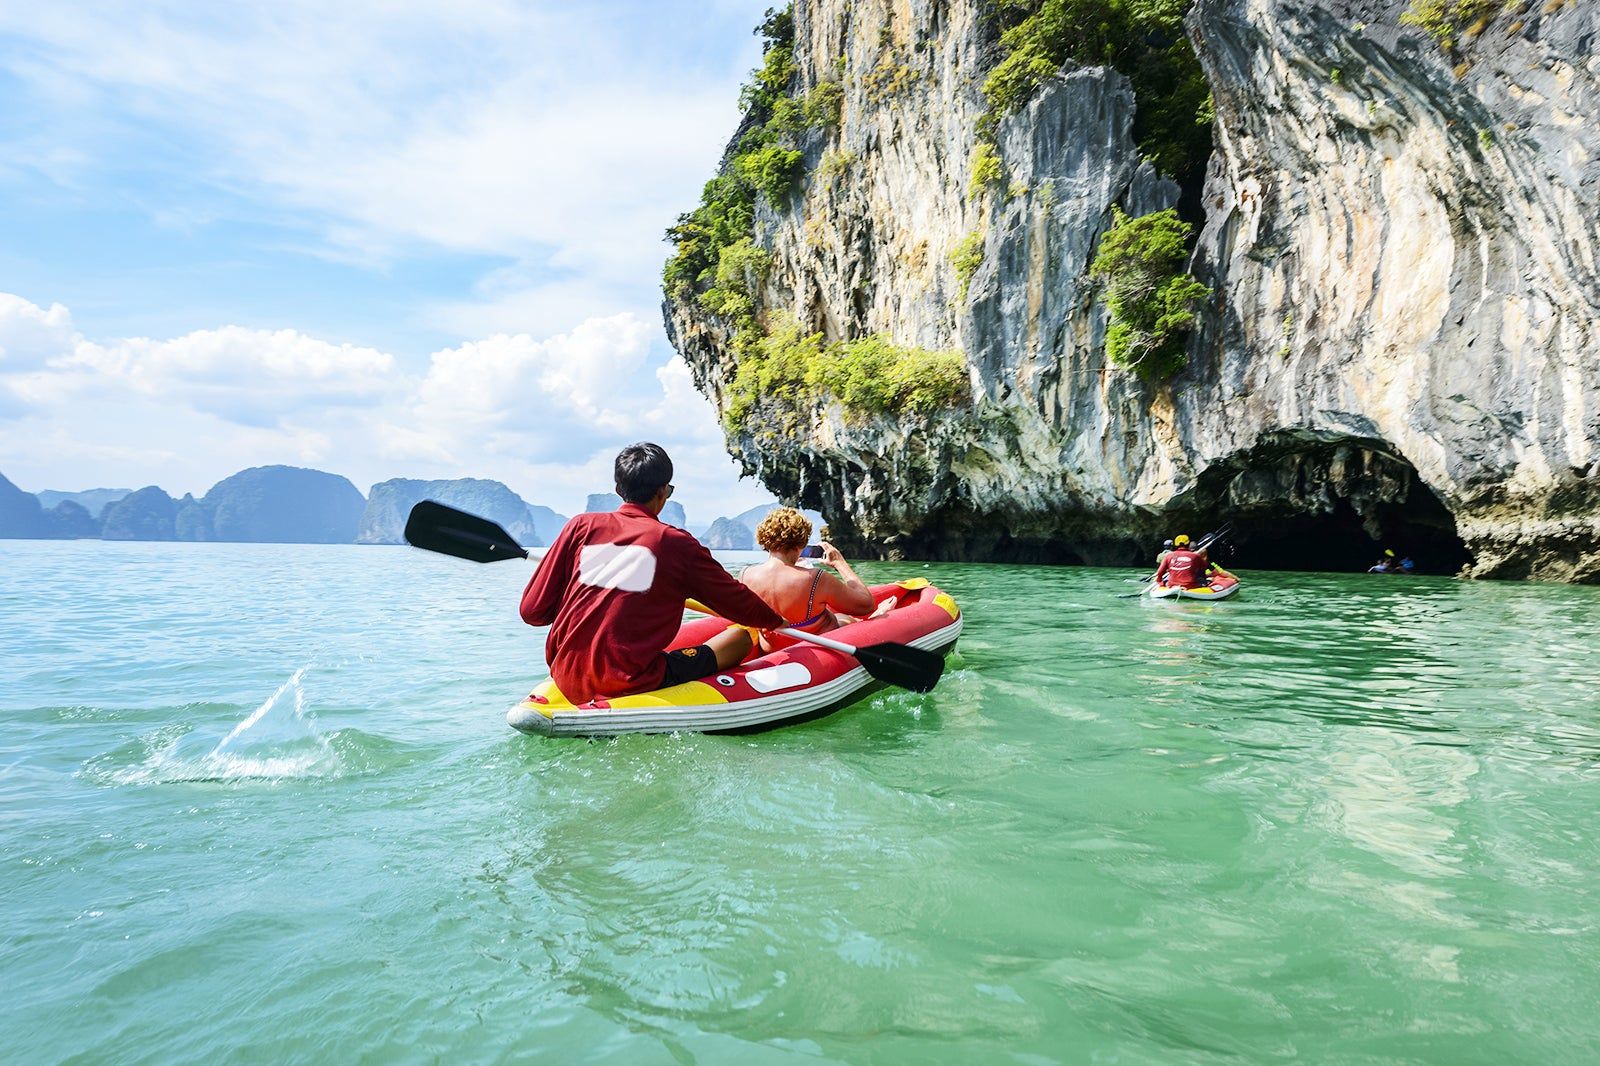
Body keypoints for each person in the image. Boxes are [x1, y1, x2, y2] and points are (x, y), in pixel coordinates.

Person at [519, 443, 787, 704]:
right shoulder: (675, 543)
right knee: (740, 638)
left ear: (618, 489)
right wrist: (776, 621)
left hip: (566, 674)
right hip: (630, 680)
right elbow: (736, 602)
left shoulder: (580, 527)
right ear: (662, 492)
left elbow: (532, 611)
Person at [739, 507, 877, 653]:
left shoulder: (745, 575)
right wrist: (839, 562)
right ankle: (878, 620)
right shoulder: (815, 578)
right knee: (844, 618)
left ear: (765, 540)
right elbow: (866, 605)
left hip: (772, 649)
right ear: (801, 543)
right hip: (816, 648)